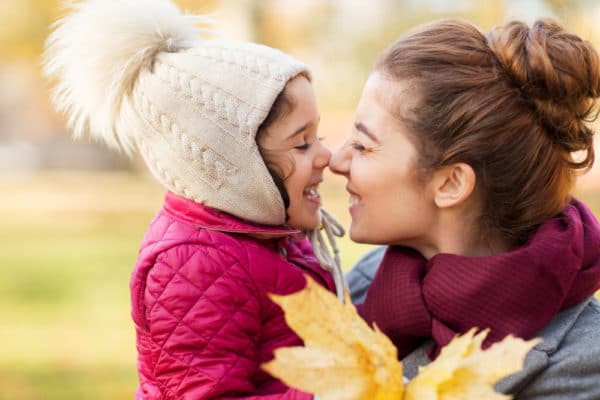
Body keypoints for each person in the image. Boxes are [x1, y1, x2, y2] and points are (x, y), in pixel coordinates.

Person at [43, 0, 344, 398]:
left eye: (318, 136)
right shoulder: (193, 262)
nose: (327, 155)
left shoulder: (270, 236)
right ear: (235, 167)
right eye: (302, 144)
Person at [331, 18, 600, 399]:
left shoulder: (584, 366)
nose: (335, 161)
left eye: (363, 145)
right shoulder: (364, 283)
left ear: (451, 183)